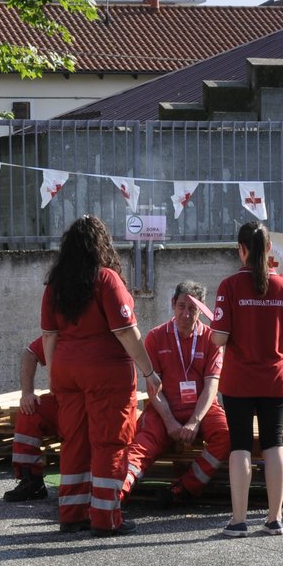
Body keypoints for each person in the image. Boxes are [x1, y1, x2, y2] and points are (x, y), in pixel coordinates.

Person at [40, 215, 162, 537]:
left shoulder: (55, 285)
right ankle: (105, 518)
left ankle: (71, 514)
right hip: (106, 372)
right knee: (110, 442)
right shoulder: (106, 279)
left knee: (74, 441)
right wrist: (149, 371)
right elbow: (126, 332)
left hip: (67, 371)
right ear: (101, 245)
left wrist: (55, 376)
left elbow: (49, 336)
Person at [210, 222, 283, 537]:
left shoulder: (229, 286)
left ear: (242, 249)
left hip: (239, 380)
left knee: (241, 446)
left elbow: (219, 338)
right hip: (275, 378)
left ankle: (238, 520)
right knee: (274, 444)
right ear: (270, 248)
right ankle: (274, 519)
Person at [119, 282, 231, 507]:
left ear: (201, 310)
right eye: (181, 306)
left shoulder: (213, 339)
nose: (186, 314)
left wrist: (195, 421)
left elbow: (211, 387)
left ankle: (185, 488)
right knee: (142, 445)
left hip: (201, 409)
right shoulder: (155, 337)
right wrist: (169, 421)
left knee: (227, 436)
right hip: (164, 410)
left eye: (192, 309)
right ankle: (116, 497)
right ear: (172, 305)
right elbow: (153, 387)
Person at [3, 336, 59, 502]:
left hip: (90, 405)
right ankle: (31, 480)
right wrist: (27, 393)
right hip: (62, 402)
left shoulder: (103, 329)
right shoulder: (60, 330)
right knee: (29, 411)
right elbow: (30, 353)